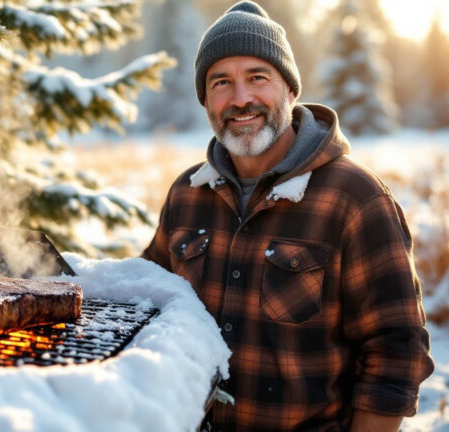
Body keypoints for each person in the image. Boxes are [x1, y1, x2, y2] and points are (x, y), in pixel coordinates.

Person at [141, 1, 434, 431]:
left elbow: (396, 352)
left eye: (257, 77)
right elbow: (150, 298)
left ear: (290, 90)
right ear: (206, 101)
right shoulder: (188, 194)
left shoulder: (354, 198)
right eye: (221, 82)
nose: (241, 99)